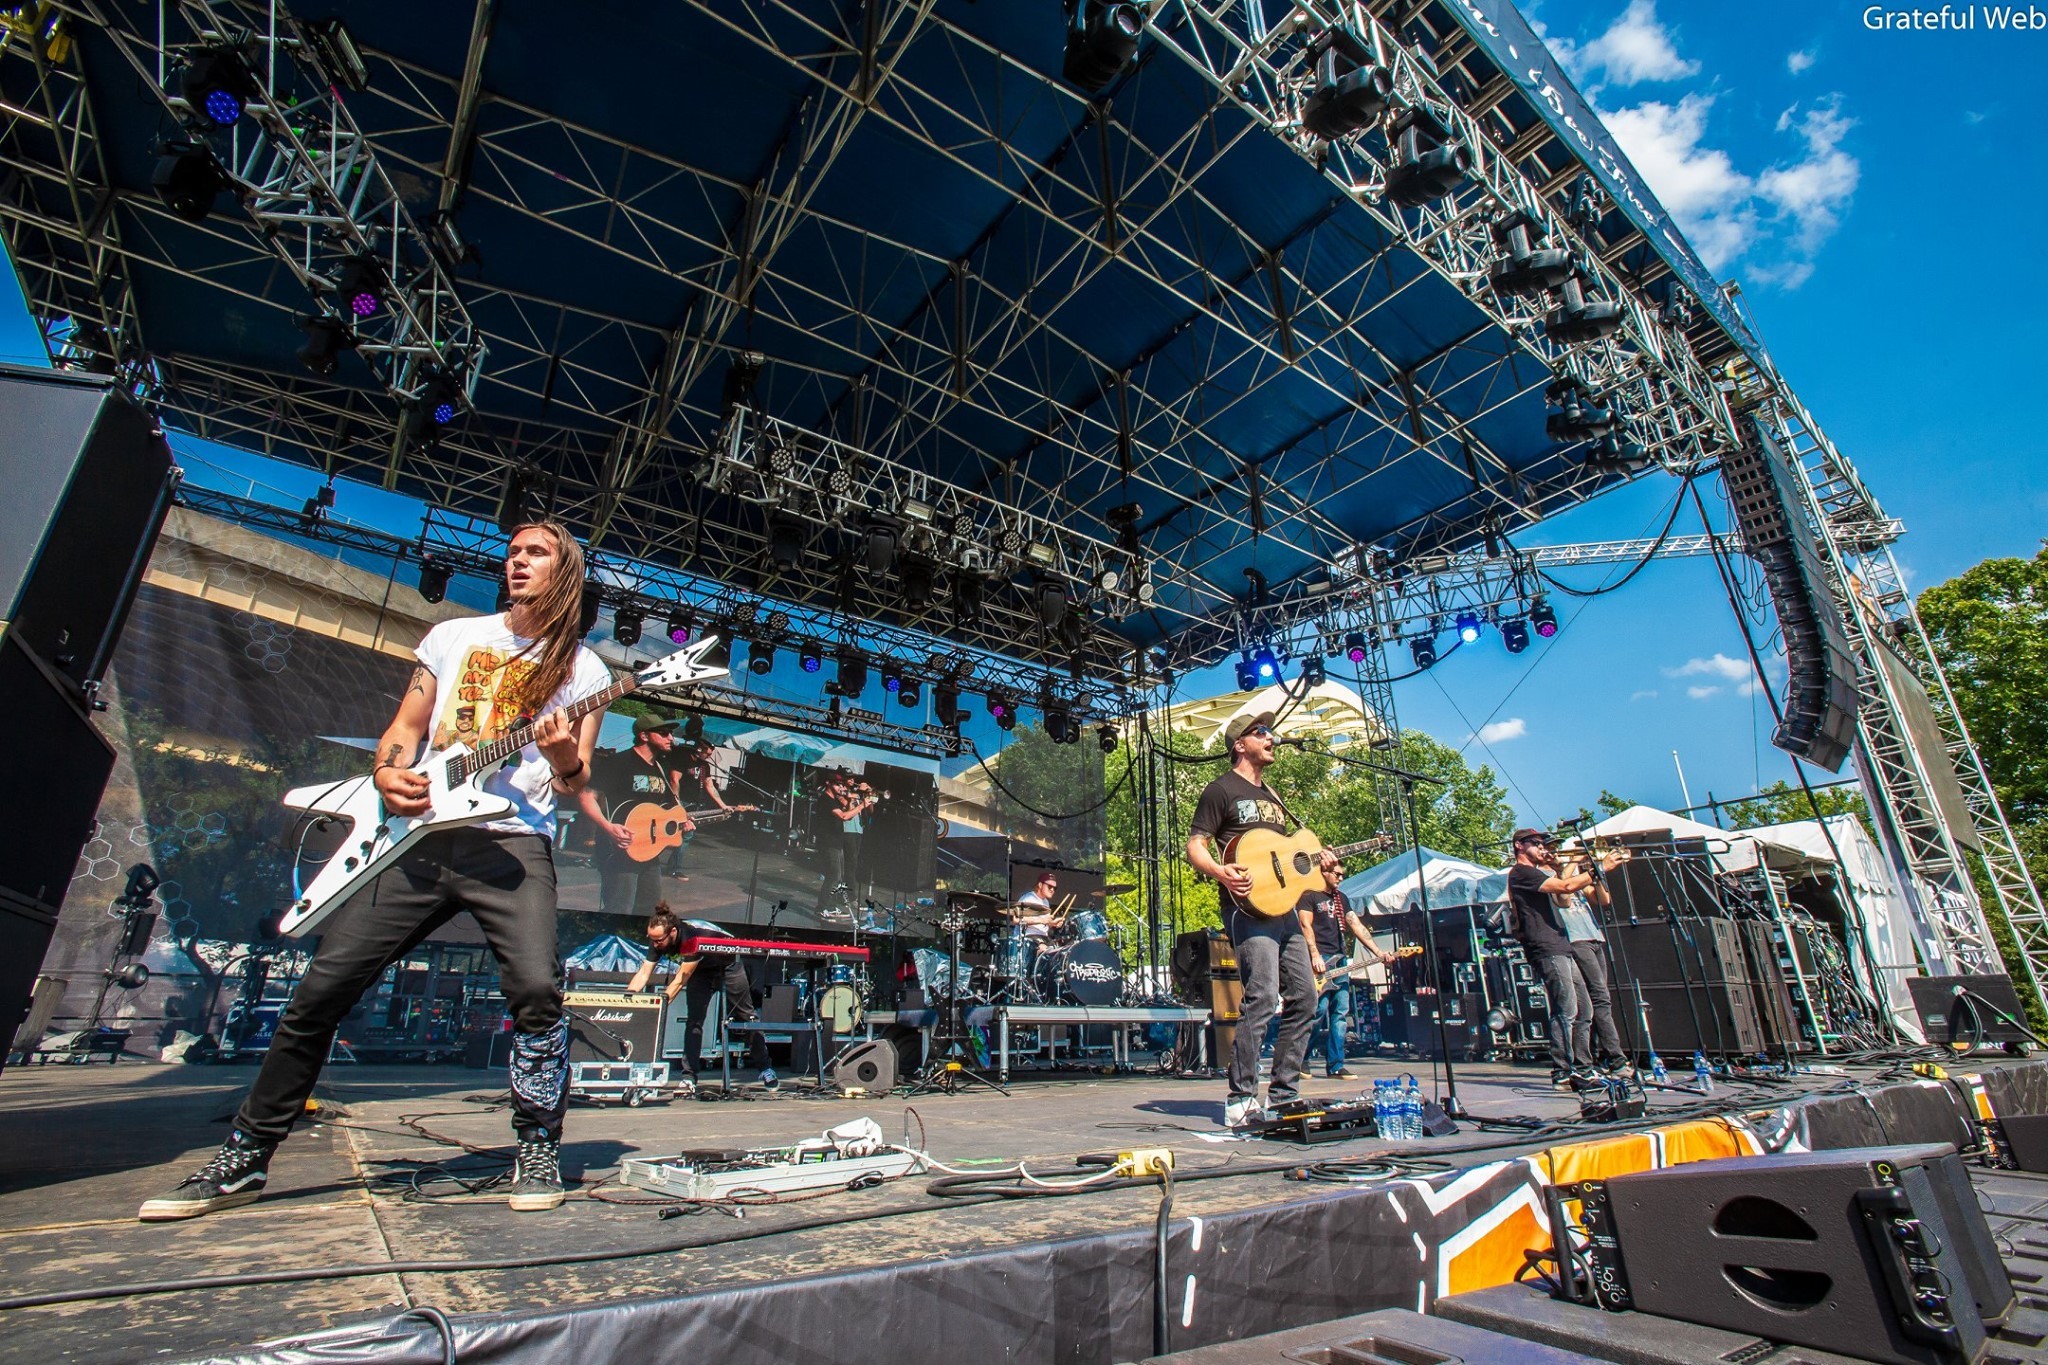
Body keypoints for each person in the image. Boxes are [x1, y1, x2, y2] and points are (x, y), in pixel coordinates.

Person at [140, 521, 613, 1220]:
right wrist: (389, 772)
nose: (517, 560)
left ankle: (538, 1145)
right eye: (513, 551)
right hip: (418, 839)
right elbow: (405, 728)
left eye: (535, 552)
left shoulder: (583, 668)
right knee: (320, 991)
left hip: (510, 843)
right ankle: (246, 1153)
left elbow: (576, 778)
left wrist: (563, 754)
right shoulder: (452, 636)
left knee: (538, 989)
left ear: (564, 569)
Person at [1186, 710, 1334, 1128]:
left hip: (1284, 910)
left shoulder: (1274, 796)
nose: (1272, 737)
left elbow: (1287, 858)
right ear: (1240, 744)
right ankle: (1242, 1097)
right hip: (1247, 908)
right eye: (1262, 732)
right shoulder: (1220, 789)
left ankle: (1285, 1094)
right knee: (1263, 995)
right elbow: (1195, 845)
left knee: (1306, 996)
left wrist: (1318, 863)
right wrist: (1220, 872)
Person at [1505, 828, 1630, 1089]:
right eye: (1536, 843)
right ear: (1519, 845)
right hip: (1545, 946)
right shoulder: (1521, 873)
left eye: (1543, 844)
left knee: (1585, 1009)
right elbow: (1566, 886)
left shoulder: (1540, 872)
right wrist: (1599, 868)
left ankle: (1584, 1068)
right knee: (1566, 1009)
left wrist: (1565, 867)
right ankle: (1561, 1071)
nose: (1542, 848)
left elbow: (1564, 900)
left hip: (1561, 944)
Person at [626, 904, 771, 1087]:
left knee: (747, 1016)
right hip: (702, 969)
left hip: (729, 964)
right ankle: (689, 1076)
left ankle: (765, 1068)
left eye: (659, 940)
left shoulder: (691, 937)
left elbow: (680, 980)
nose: (656, 945)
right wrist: (627, 999)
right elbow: (643, 973)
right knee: (694, 1020)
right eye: (652, 939)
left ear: (673, 932)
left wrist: (657, 1006)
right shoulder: (658, 939)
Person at [579, 715, 689, 915]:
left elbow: (666, 809)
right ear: (644, 736)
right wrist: (608, 827)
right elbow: (586, 797)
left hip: (648, 849)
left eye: (671, 734)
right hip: (619, 847)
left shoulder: (660, 768)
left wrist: (683, 822)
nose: (671, 738)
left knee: (650, 909)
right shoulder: (619, 762)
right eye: (664, 733)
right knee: (619, 908)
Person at [1300, 862, 1398, 1080]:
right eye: (1337, 874)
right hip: (1320, 958)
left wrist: (1378, 952)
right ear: (1324, 872)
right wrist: (1314, 954)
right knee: (1318, 1011)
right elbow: (1305, 926)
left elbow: (1356, 925)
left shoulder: (1341, 899)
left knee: (1340, 1013)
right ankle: (1301, 1059)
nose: (1340, 878)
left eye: (1342, 875)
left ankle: (1336, 1064)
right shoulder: (1309, 895)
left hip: (1340, 959)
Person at [1010, 870, 1061, 939]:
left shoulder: (1046, 902)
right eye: (1049, 886)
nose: (1052, 890)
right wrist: (1042, 920)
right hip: (1027, 936)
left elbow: (1042, 925)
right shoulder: (1028, 898)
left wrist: (1052, 924)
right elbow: (1016, 919)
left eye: (1054, 888)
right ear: (1040, 885)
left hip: (1043, 936)